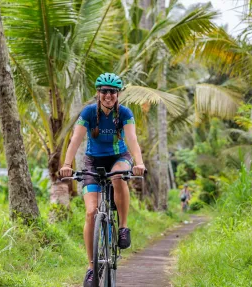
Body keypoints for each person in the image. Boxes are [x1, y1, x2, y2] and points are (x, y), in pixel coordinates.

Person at [59, 73, 146, 287]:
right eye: (104, 91)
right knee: (90, 212)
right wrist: (67, 165)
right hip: (92, 161)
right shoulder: (89, 112)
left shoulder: (124, 113)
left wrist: (139, 162)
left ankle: (123, 227)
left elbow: (132, 139)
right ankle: (91, 267)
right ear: (98, 93)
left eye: (113, 92)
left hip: (119, 158)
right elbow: (75, 139)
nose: (108, 95)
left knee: (118, 177)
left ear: (118, 94)